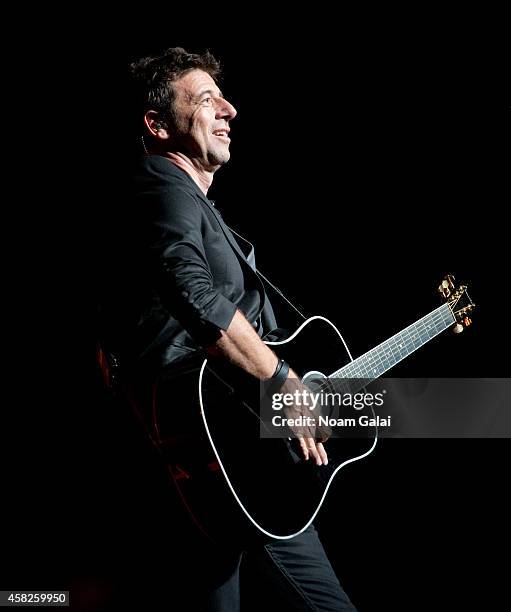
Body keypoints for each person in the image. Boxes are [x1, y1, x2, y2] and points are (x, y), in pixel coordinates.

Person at [99, 47, 357, 611]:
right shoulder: (158, 181)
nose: (230, 110)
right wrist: (284, 383)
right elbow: (190, 293)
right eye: (208, 99)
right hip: (196, 462)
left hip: (254, 471)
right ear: (157, 124)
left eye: (225, 98)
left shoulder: (199, 206)